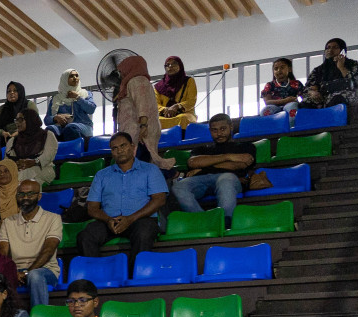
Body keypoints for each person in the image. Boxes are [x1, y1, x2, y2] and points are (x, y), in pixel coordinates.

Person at [81, 132, 168, 269]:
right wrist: (108, 220)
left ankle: (134, 276)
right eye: (114, 148)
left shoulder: (150, 170)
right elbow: (92, 208)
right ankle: (96, 275)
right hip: (110, 221)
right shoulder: (102, 175)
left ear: (133, 147)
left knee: (144, 233)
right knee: (85, 236)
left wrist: (130, 219)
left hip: (141, 219)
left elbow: (159, 200)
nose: (119, 150)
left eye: (123, 146)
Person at [173, 113, 254, 225]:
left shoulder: (245, 146)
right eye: (214, 130)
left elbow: (240, 165)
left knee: (226, 178)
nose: (219, 133)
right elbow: (192, 162)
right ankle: (204, 221)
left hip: (231, 180)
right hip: (203, 181)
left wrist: (203, 167)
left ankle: (225, 221)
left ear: (231, 127)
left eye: (223, 129)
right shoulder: (202, 149)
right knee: (178, 186)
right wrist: (228, 157)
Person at [2, 179, 63, 310]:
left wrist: (27, 273)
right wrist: (12, 272)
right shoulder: (8, 222)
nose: (25, 198)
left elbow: (48, 250)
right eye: (21, 194)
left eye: (30, 194)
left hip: (45, 270)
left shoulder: (53, 219)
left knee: (35, 276)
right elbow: (3, 253)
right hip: (16, 271)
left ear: (39, 196)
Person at [112, 55, 172, 170]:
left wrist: (143, 125)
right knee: (144, 163)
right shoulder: (138, 81)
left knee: (139, 164)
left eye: (122, 69)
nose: (121, 73)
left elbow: (142, 104)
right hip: (140, 130)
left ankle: (172, 173)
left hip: (139, 132)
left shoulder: (136, 81)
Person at [307, 38, 358, 107]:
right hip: (325, 99)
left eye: (335, 47)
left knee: (337, 98)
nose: (330, 50)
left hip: (347, 97)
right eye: (328, 48)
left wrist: (341, 67)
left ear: (342, 51)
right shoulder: (319, 70)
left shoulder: (352, 64)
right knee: (306, 103)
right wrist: (312, 92)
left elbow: (357, 82)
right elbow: (307, 88)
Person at [5, 109, 56, 185]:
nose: (17, 123)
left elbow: (48, 156)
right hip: (20, 171)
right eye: (16, 120)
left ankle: (13, 191)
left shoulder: (47, 135)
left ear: (30, 120)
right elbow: (7, 161)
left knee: (26, 172)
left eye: (20, 120)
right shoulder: (13, 141)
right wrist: (16, 164)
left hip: (43, 169)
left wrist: (34, 162)